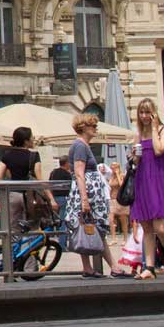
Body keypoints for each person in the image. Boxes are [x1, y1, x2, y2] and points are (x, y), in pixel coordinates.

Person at [127, 99, 164, 279]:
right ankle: (149, 267)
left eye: (147, 112)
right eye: (141, 113)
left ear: (154, 112)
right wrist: (134, 158)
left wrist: (153, 128)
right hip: (142, 181)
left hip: (158, 182)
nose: (144, 116)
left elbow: (159, 149)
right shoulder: (138, 134)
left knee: (160, 228)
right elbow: (137, 161)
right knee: (146, 228)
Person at [61, 112, 121, 278]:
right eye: (93, 125)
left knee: (91, 229)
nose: (96, 128)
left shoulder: (81, 145)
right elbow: (79, 173)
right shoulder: (80, 146)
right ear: (83, 127)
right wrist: (85, 199)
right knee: (96, 228)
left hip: (89, 194)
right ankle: (113, 267)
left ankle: (90, 267)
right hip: (88, 195)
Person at [0, 126, 44, 230]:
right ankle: (28, 246)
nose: (33, 139)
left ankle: (13, 246)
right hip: (30, 195)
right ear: (26, 141)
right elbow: (40, 179)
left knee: (12, 228)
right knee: (32, 227)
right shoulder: (34, 155)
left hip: (12, 194)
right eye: (32, 137)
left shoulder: (7, 154)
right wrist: (50, 197)